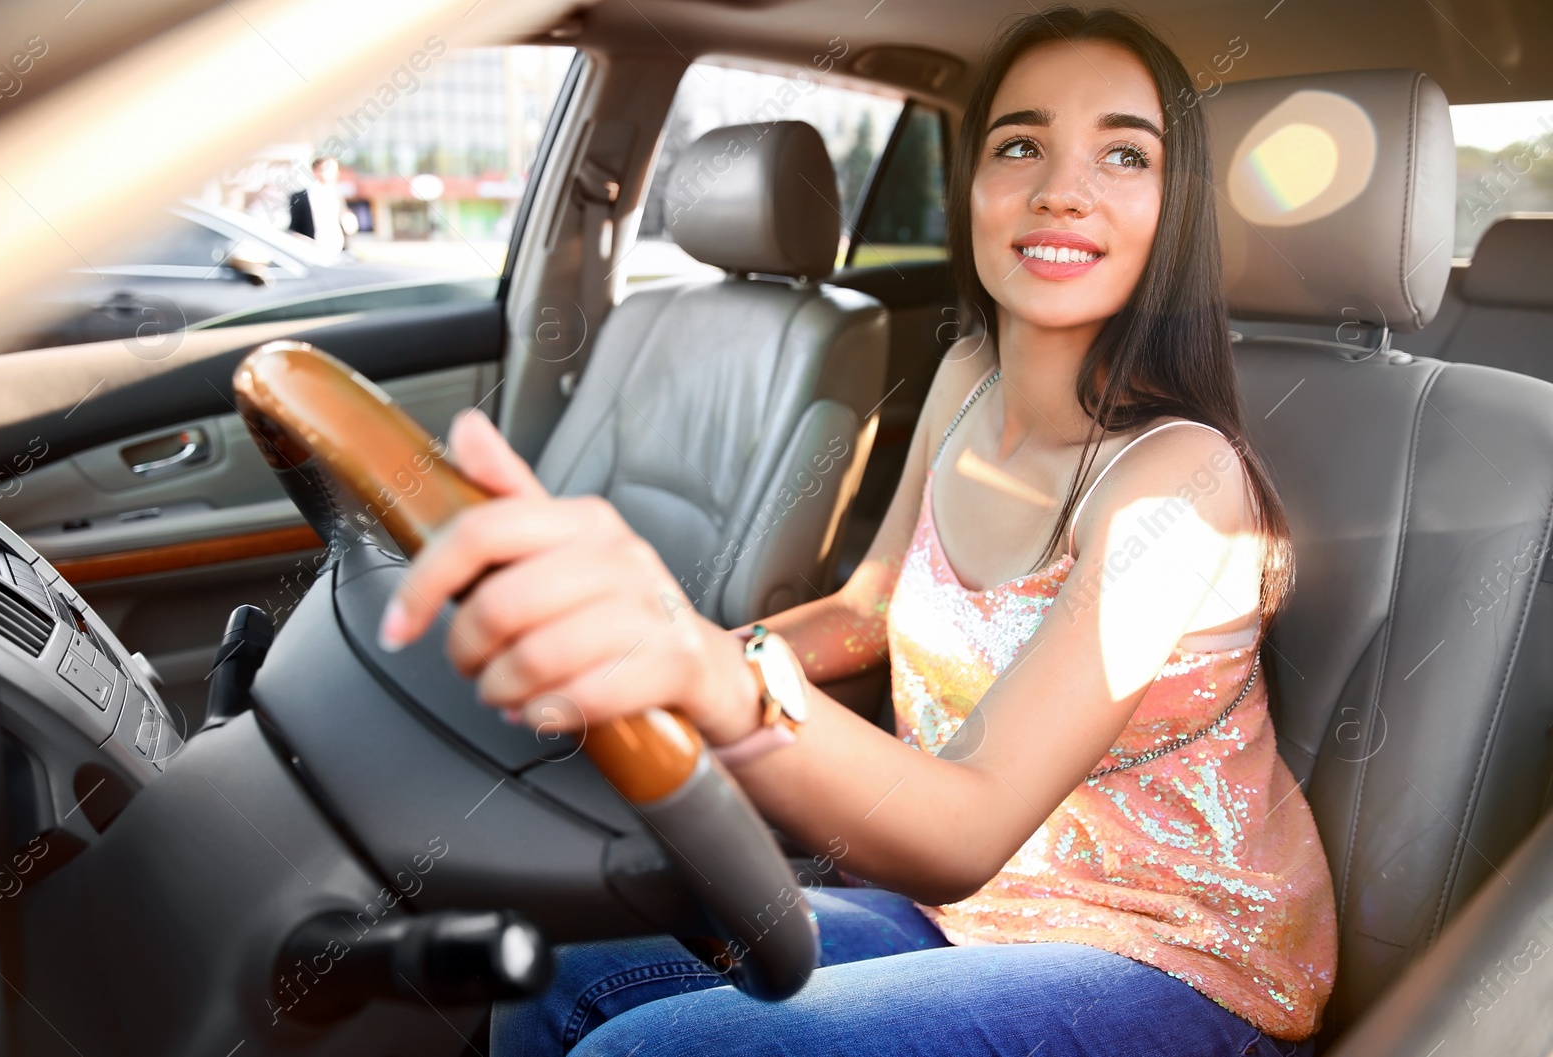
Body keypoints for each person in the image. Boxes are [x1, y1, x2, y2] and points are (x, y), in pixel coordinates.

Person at [378, 6, 1335, 1055]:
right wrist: (645, 662)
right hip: (970, 918)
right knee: (560, 963)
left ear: (1176, 207)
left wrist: (706, 669)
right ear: (969, 185)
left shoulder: (1178, 483)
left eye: (1124, 154)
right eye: (1020, 145)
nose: (1063, 186)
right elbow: (867, 606)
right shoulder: (967, 381)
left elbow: (968, 824)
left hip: (1171, 957)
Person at [287, 155, 354, 253]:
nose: (335, 173)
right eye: (330, 169)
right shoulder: (300, 197)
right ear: (316, 171)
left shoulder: (336, 195)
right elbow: (295, 229)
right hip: (313, 252)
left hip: (338, 252)